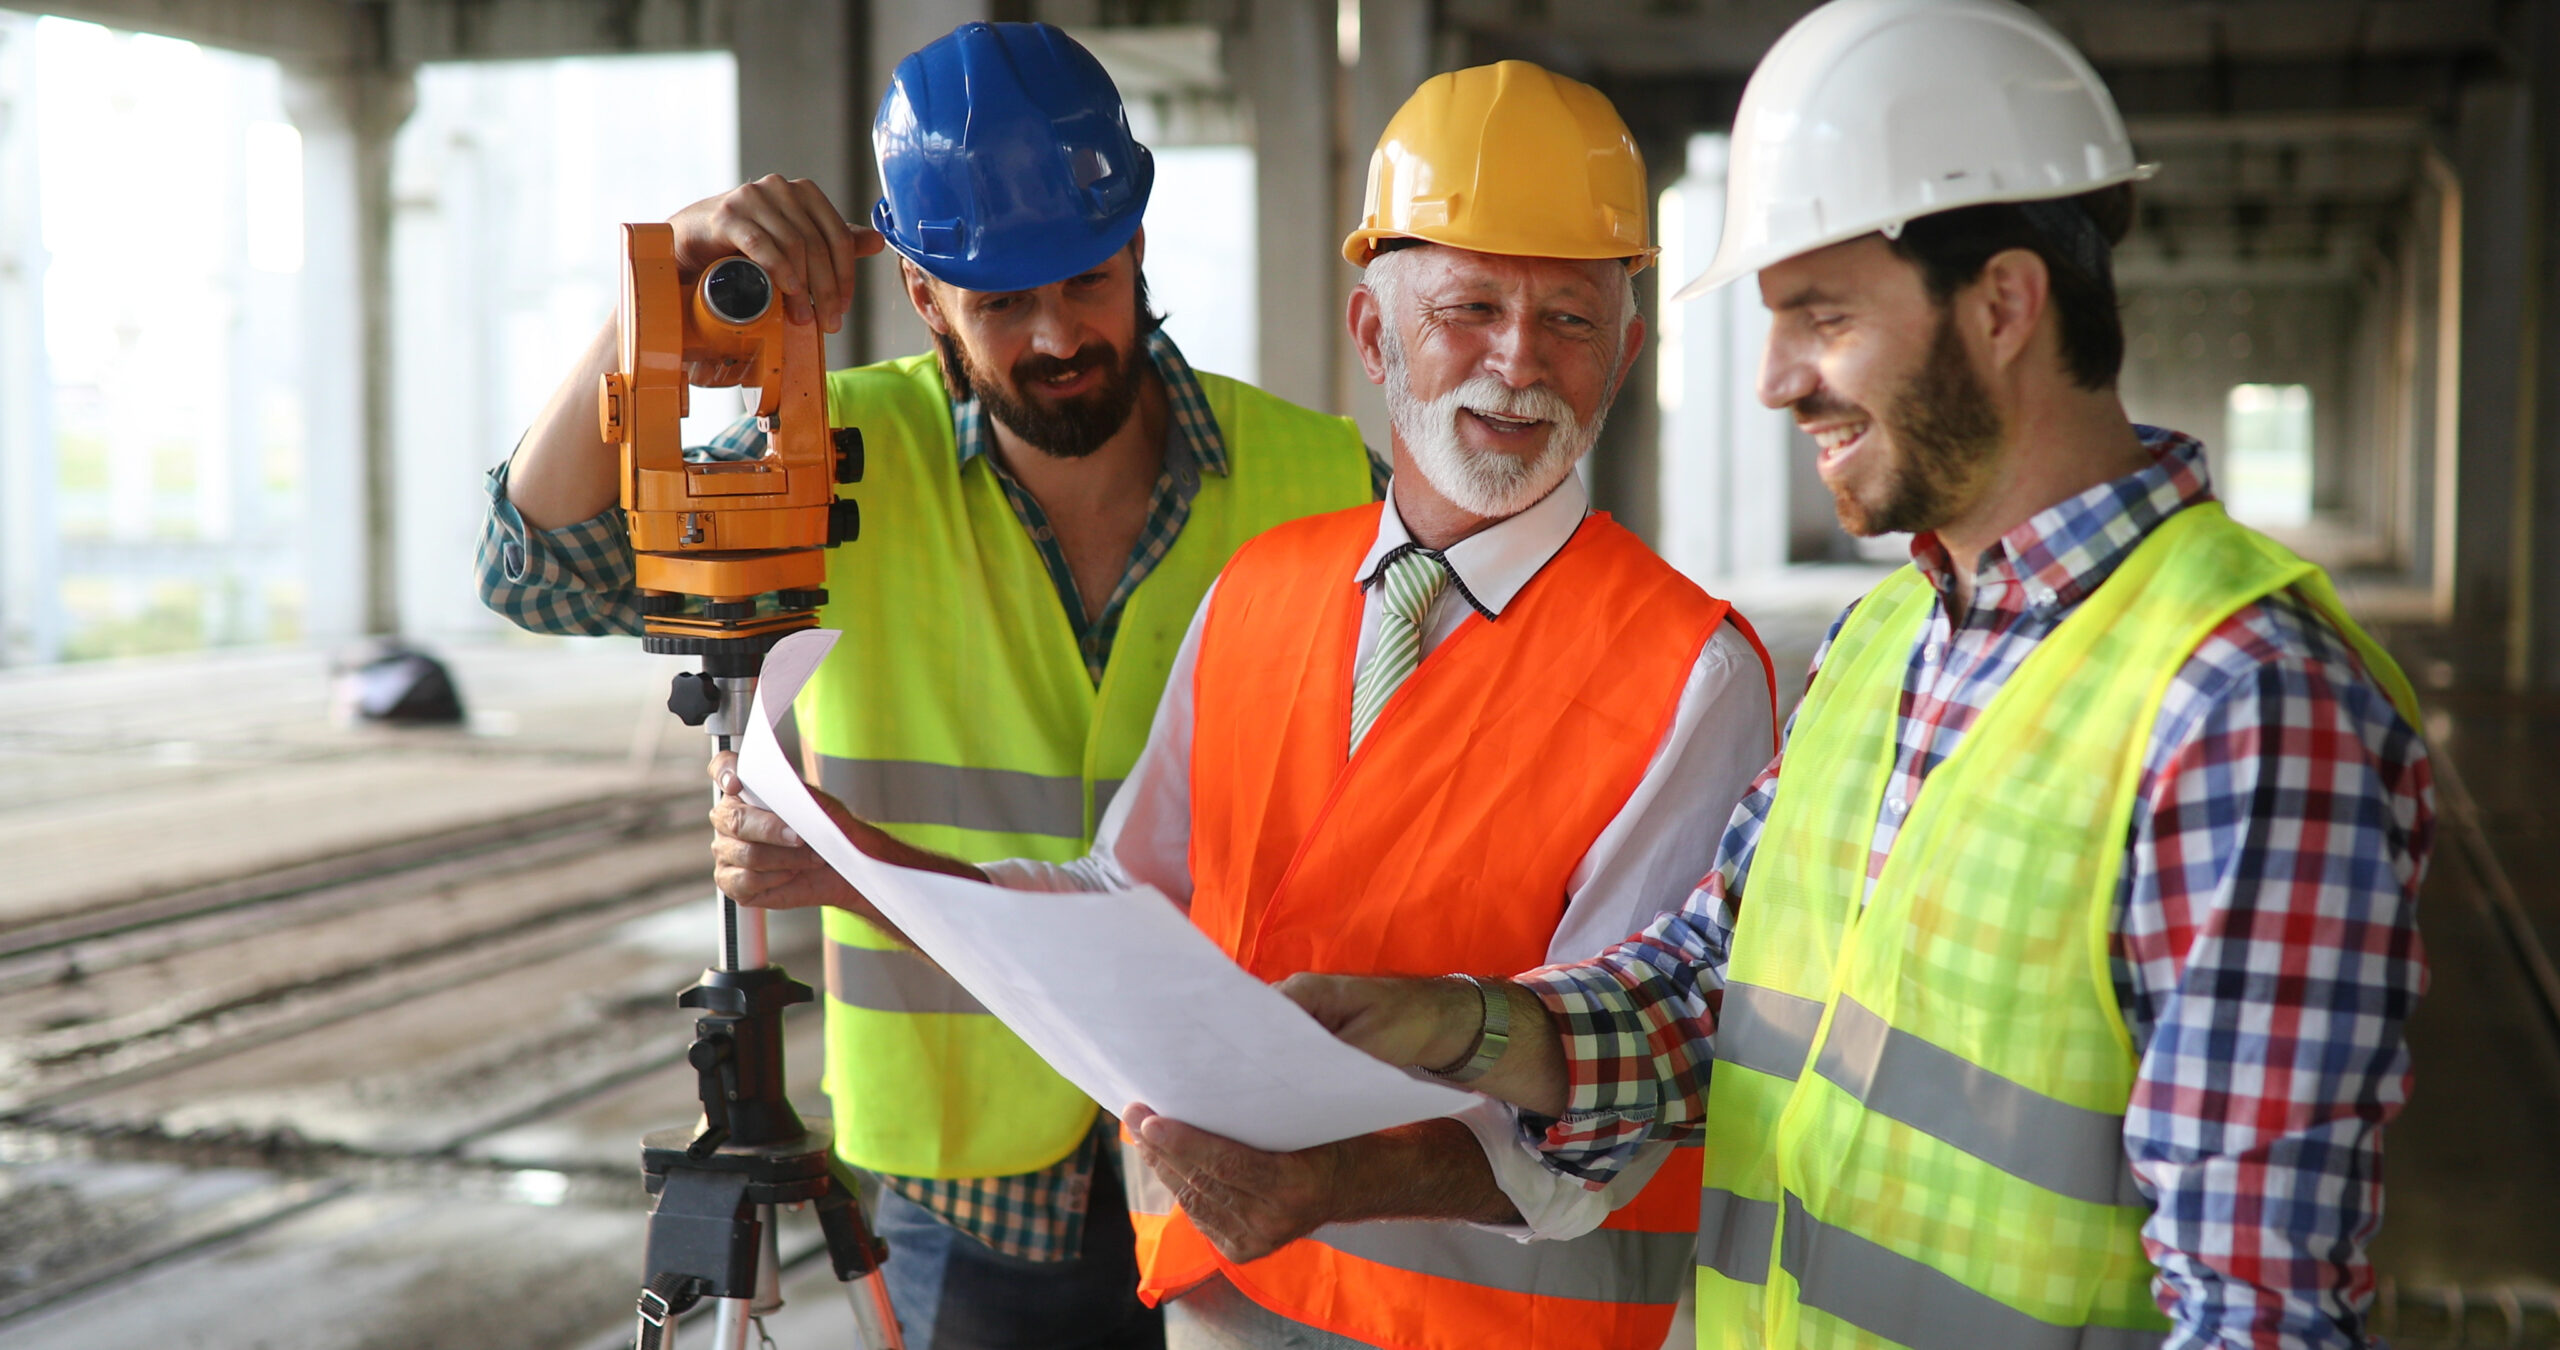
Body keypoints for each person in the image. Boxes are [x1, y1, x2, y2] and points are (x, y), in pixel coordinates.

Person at [1276, 3, 2436, 1348]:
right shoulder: (1884, 639)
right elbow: (1702, 995)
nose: (1774, 381)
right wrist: (1457, 1024)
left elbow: (2255, 1315)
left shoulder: (2244, 705)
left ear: (2004, 303)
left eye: (1819, 315)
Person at [709, 61, 1778, 1350]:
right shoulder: (1263, 588)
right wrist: (858, 863)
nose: (1518, 362)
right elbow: (1130, 905)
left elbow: (1628, 1087)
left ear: (1628, 353)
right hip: (1224, 1302)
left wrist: (1331, 1188)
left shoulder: (1689, 669)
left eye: (1570, 319)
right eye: (1471, 308)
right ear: (1375, 336)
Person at [478, 22, 1381, 1349]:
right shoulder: (835, 455)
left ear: (1135, 243)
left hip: (1252, 1159)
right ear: (919, 288)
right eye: (1001, 302)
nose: (1059, 331)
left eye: (1082, 278)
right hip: (974, 1200)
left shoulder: (1322, 480)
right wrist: (655, 281)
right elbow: (533, 569)